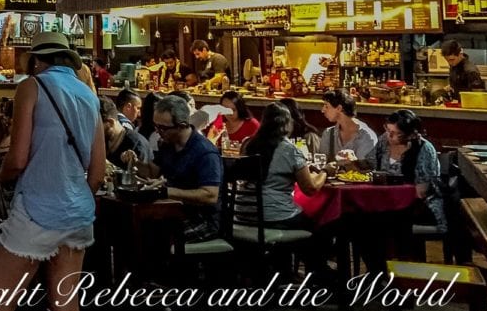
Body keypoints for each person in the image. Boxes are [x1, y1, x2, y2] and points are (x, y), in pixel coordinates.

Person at [0, 32, 105, 311]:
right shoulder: (89, 95)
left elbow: (18, 158)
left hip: (37, 213)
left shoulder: (31, 87)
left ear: (37, 59)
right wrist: (73, 198)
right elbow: (96, 173)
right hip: (78, 216)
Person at [122, 95, 223, 241]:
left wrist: (167, 192)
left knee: (153, 237)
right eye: (156, 126)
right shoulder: (167, 144)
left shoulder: (204, 152)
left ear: (182, 126)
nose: (158, 132)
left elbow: (210, 195)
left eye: (163, 128)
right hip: (172, 212)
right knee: (131, 228)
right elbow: (152, 173)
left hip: (202, 220)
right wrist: (134, 162)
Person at [236, 102, 326, 230]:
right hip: (275, 216)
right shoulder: (290, 150)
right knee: (320, 224)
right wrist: (325, 171)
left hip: (242, 214)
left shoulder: (247, 144)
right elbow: (310, 189)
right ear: (287, 124)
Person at [374, 109, 446, 230]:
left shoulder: (424, 149)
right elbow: (371, 166)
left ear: (411, 134)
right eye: (388, 130)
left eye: (396, 133)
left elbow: (422, 191)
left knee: (381, 222)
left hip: (418, 206)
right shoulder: (384, 140)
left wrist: (396, 195)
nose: (389, 136)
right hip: (386, 200)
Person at [319, 90, 378, 165]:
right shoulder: (328, 134)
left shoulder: (366, 137)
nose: (322, 110)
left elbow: (365, 169)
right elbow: (322, 163)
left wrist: (352, 162)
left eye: (326, 106)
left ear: (339, 108)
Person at [100, 97, 153, 168]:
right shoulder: (104, 142)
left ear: (110, 123)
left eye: (94, 127)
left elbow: (142, 177)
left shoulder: (137, 146)